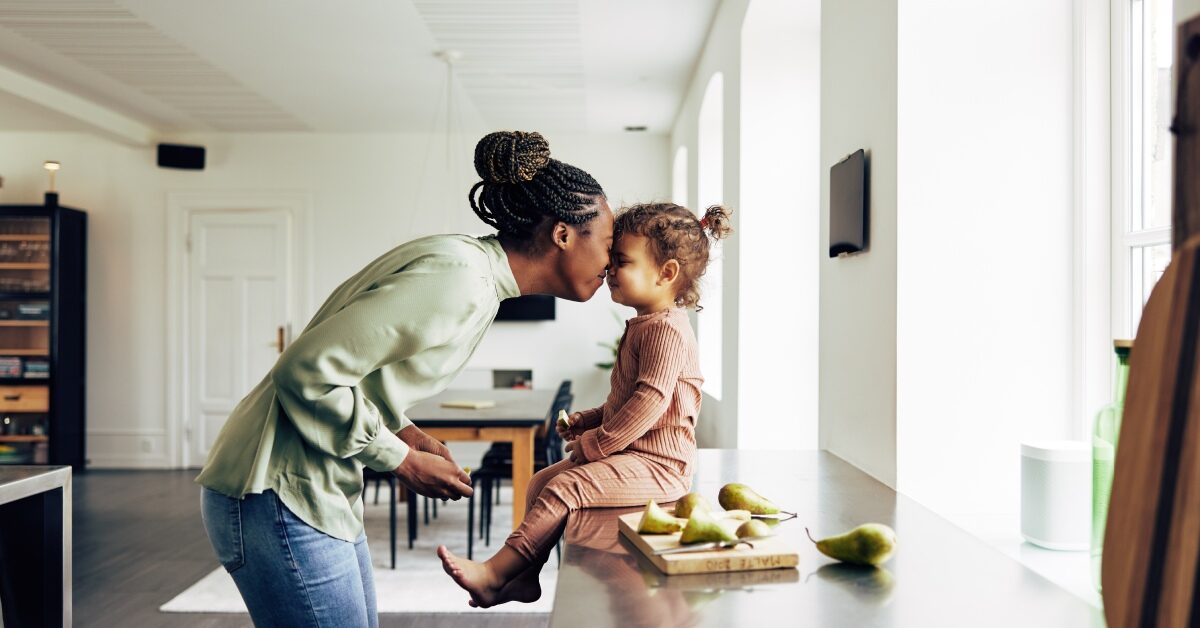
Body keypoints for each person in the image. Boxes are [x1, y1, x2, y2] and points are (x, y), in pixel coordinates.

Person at [195, 130, 614, 627]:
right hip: (276, 489)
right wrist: (399, 461)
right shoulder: (461, 280)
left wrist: (406, 433)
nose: (611, 265)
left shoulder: (473, 273)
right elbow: (306, 372)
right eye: (608, 243)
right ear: (563, 235)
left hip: (310, 488)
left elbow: (361, 374)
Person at [438, 201, 733, 608]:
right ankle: (525, 578)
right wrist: (588, 419)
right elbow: (628, 400)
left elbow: (650, 402)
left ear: (666, 274)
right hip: (634, 455)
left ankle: (494, 573)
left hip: (661, 467)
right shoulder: (646, 326)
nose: (610, 269)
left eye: (622, 261)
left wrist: (598, 442)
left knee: (564, 488)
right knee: (540, 482)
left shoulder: (666, 331)